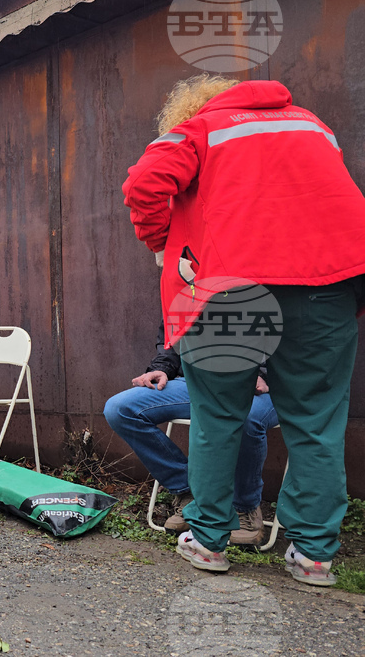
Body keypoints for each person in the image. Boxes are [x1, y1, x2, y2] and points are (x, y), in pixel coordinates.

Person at [124, 75, 365, 585]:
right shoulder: (314, 128)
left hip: (229, 290)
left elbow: (145, 182)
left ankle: (209, 540)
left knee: (217, 416)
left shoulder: (201, 130)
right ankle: (315, 555)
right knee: (317, 423)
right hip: (326, 287)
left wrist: (162, 244)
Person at [104, 324, 278, 545]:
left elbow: (290, 334)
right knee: (120, 409)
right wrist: (163, 368)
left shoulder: (267, 290)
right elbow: (171, 335)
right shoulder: (187, 290)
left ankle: (243, 509)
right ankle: (189, 492)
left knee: (246, 418)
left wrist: (261, 372)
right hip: (200, 382)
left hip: (262, 386)